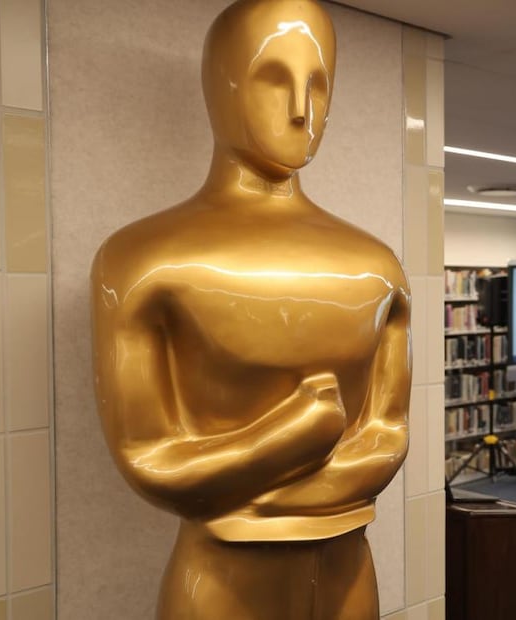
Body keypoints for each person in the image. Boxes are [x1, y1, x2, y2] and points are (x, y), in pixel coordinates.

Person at [90, 2, 411, 618]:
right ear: (222, 86)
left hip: (349, 569)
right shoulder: (142, 260)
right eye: (274, 78)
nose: (302, 109)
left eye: (319, 85)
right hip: (220, 580)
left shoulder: (376, 266)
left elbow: (388, 436)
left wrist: (258, 492)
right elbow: (150, 461)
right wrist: (289, 440)